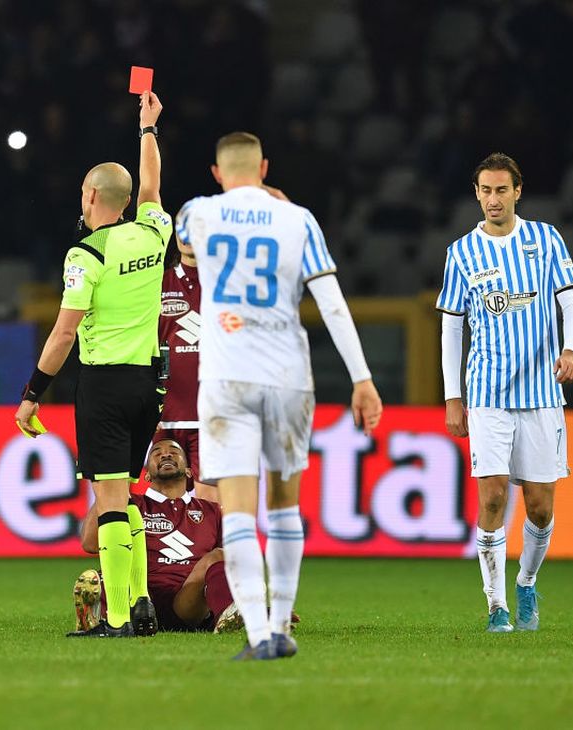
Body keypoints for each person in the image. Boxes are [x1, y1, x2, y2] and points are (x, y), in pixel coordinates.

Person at [179, 131, 383, 660]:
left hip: (227, 379)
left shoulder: (198, 212)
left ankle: (257, 634)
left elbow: (183, 243)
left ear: (217, 173)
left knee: (238, 512)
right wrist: (361, 378)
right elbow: (332, 303)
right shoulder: (299, 220)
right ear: (265, 168)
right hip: (288, 376)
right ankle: (281, 626)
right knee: (285, 504)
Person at [14, 91, 170, 639]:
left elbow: (64, 332)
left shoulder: (86, 254)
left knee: (108, 502)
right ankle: (143, 605)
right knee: (125, 495)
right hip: (149, 384)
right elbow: (152, 187)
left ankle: (119, 618)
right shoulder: (154, 231)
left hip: (104, 384)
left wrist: (33, 394)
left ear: (91, 195)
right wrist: (147, 130)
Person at [438, 152, 573, 633]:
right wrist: (453, 396)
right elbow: (451, 328)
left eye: (502, 190)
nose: (493, 199)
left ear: (518, 191)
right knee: (493, 498)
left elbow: (571, 303)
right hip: (487, 394)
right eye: (486, 190)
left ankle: (526, 582)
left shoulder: (545, 239)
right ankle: (496, 605)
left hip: (542, 393)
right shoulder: (462, 252)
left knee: (541, 507)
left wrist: (570, 349)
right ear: (476, 194)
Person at [74, 439, 240, 633]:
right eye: (157, 453)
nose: (166, 454)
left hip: (188, 601)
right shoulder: (131, 504)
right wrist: (115, 487)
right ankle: (98, 615)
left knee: (222, 555)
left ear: (189, 471)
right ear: (146, 475)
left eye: (174, 451)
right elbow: (90, 543)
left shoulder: (211, 511)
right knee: (105, 574)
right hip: (139, 596)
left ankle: (228, 615)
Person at [156, 228, 217, 501]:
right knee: (162, 504)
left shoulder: (225, 287)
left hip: (211, 415)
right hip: (164, 416)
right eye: (183, 228)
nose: (189, 235)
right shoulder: (157, 283)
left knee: (208, 508)